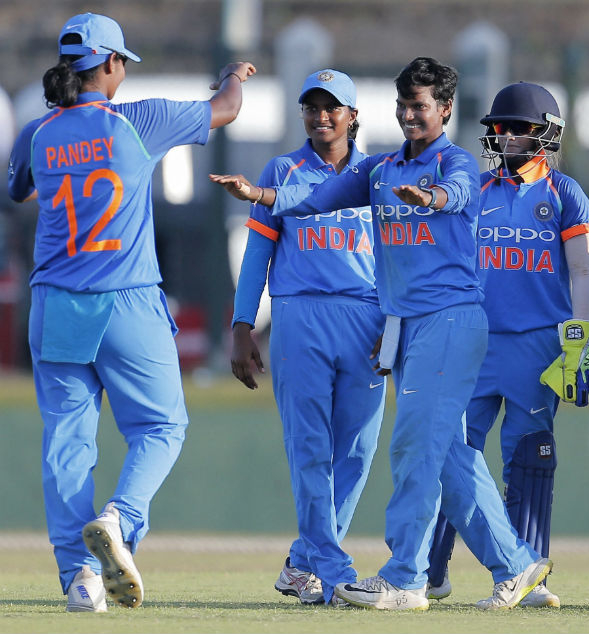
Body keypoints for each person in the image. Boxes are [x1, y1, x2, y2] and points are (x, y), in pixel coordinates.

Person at [210, 57, 550, 611]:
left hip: (448, 319)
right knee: (447, 453)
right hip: (404, 325)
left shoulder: (456, 162)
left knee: (412, 445)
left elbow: (460, 193)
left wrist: (431, 199)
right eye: (404, 106)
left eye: (420, 106)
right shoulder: (382, 169)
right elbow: (317, 200)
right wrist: (261, 195)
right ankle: (516, 565)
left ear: (445, 109)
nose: (410, 115)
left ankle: (405, 577)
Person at [6, 13, 254, 612]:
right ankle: (120, 518)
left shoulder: (37, 131)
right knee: (161, 428)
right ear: (112, 64)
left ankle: (79, 579)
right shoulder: (138, 121)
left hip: (55, 302)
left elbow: (19, 190)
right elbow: (226, 108)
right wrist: (232, 73)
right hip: (126, 298)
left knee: (67, 443)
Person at [423, 81, 589, 609]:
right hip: (473, 341)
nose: (504, 136)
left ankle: (530, 576)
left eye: (517, 128)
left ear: (547, 133)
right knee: (451, 455)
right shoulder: (475, 189)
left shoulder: (565, 194)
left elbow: (584, 273)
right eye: (499, 128)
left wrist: (578, 342)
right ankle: (428, 572)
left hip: (538, 345)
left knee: (529, 460)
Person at [229, 70, 384, 607]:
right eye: (312, 107)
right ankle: (335, 570)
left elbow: (398, 254)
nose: (321, 116)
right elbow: (258, 253)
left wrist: (396, 319)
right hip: (300, 314)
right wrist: (242, 324)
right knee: (310, 447)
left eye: (332, 107)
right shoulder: (282, 170)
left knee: (358, 449)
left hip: (367, 315)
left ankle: (303, 563)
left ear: (353, 115)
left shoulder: (377, 173)